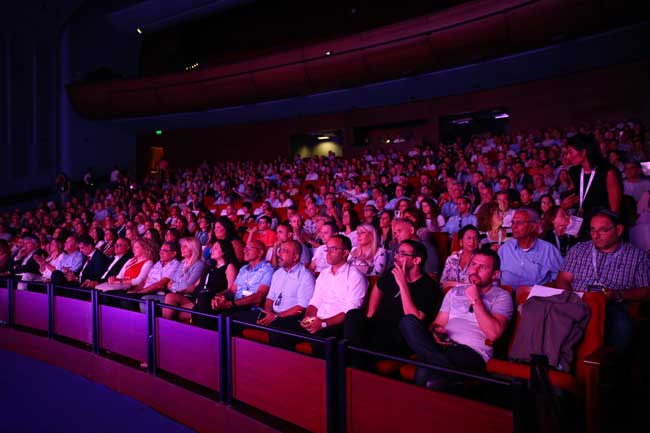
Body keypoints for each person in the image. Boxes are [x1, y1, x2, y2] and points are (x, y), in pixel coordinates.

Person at [399, 248, 513, 388]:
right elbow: (436, 324)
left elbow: (493, 334)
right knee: (408, 321)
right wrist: (436, 332)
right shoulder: (454, 292)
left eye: (482, 267)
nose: (475, 270)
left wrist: (476, 300)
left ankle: (441, 368)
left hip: (471, 352)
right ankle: (450, 373)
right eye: (473, 264)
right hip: (443, 346)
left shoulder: (502, 296)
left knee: (424, 370)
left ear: (495, 274)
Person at [556, 210, 650, 356]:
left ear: (619, 230)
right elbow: (563, 279)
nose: (595, 235)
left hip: (611, 305)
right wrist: (571, 298)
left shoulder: (637, 256)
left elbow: (646, 291)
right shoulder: (579, 250)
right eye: (593, 230)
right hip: (577, 300)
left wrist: (619, 294)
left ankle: (613, 366)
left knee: (621, 326)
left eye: (603, 230)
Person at [344, 240, 441, 359]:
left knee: (360, 344)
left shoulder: (429, 286)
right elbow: (378, 287)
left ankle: (356, 360)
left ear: (416, 260)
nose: (396, 257)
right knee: (353, 315)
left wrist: (403, 284)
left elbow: (414, 318)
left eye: (402, 254)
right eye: (397, 252)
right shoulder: (392, 272)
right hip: (378, 326)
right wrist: (370, 314)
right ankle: (354, 360)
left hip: (399, 335)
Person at [237, 240, 315, 331]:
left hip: (290, 318)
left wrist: (276, 316)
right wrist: (267, 314)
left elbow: (302, 307)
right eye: (279, 250)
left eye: (284, 251)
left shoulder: (306, 276)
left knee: (275, 328)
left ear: (295, 257)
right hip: (274, 315)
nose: (279, 254)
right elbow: (270, 298)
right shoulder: (278, 273)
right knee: (241, 318)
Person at [498, 208, 563, 289]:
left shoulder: (548, 250)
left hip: (536, 295)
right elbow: (495, 275)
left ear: (532, 227)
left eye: (519, 223)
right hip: (506, 294)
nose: (514, 226)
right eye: (513, 222)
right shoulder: (505, 249)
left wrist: (537, 290)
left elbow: (561, 278)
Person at [210, 239, 274, 314]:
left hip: (250, 310)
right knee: (207, 301)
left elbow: (259, 296)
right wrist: (218, 297)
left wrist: (230, 304)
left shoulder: (267, 269)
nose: (244, 251)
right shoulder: (243, 269)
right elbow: (232, 291)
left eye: (248, 249)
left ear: (260, 252)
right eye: (245, 248)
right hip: (234, 306)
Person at [191, 239, 239, 328]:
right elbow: (196, 285)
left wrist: (213, 296)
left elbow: (231, 289)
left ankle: (202, 332)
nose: (211, 250)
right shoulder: (209, 266)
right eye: (212, 248)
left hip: (213, 299)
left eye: (215, 248)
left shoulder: (229, 266)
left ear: (224, 252)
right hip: (197, 297)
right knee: (171, 297)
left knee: (203, 299)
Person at [162, 237, 205, 321]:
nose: (181, 248)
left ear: (193, 249)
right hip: (176, 294)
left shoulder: (199, 265)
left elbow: (188, 285)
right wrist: (176, 286)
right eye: (182, 246)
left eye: (185, 246)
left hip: (189, 296)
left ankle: (164, 326)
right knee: (148, 299)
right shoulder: (182, 263)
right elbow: (170, 282)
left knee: (170, 297)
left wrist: (174, 286)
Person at [440, 225, 480, 291]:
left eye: (475, 238)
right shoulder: (451, 259)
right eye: (469, 238)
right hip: (450, 295)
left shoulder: (481, 261)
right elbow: (442, 284)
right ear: (461, 242)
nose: (472, 241)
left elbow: (479, 287)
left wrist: (452, 284)